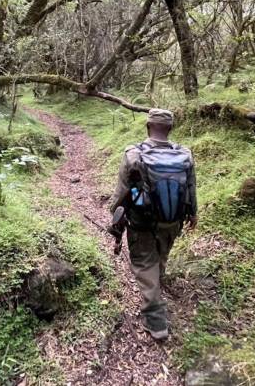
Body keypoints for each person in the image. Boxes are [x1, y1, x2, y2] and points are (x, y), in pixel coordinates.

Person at [108, 108, 197, 341]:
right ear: (170, 128)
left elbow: (122, 191)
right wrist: (193, 214)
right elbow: (191, 187)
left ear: (148, 126)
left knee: (145, 263)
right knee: (161, 254)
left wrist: (115, 215)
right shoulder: (184, 154)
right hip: (173, 220)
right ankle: (157, 285)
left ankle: (155, 319)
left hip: (142, 222)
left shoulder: (133, 154)